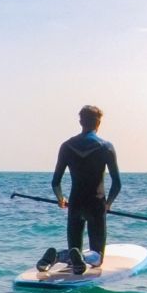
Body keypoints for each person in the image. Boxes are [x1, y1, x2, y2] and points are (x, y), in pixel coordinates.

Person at [36, 105, 121, 275]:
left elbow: (55, 182)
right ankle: (83, 257)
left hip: (75, 204)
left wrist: (61, 199)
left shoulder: (67, 146)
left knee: (75, 252)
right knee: (97, 259)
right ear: (99, 123)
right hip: (96, 205)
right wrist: (108, 204)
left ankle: (57, 257)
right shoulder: (106, 147)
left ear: (81, 122)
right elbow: (117, 183)